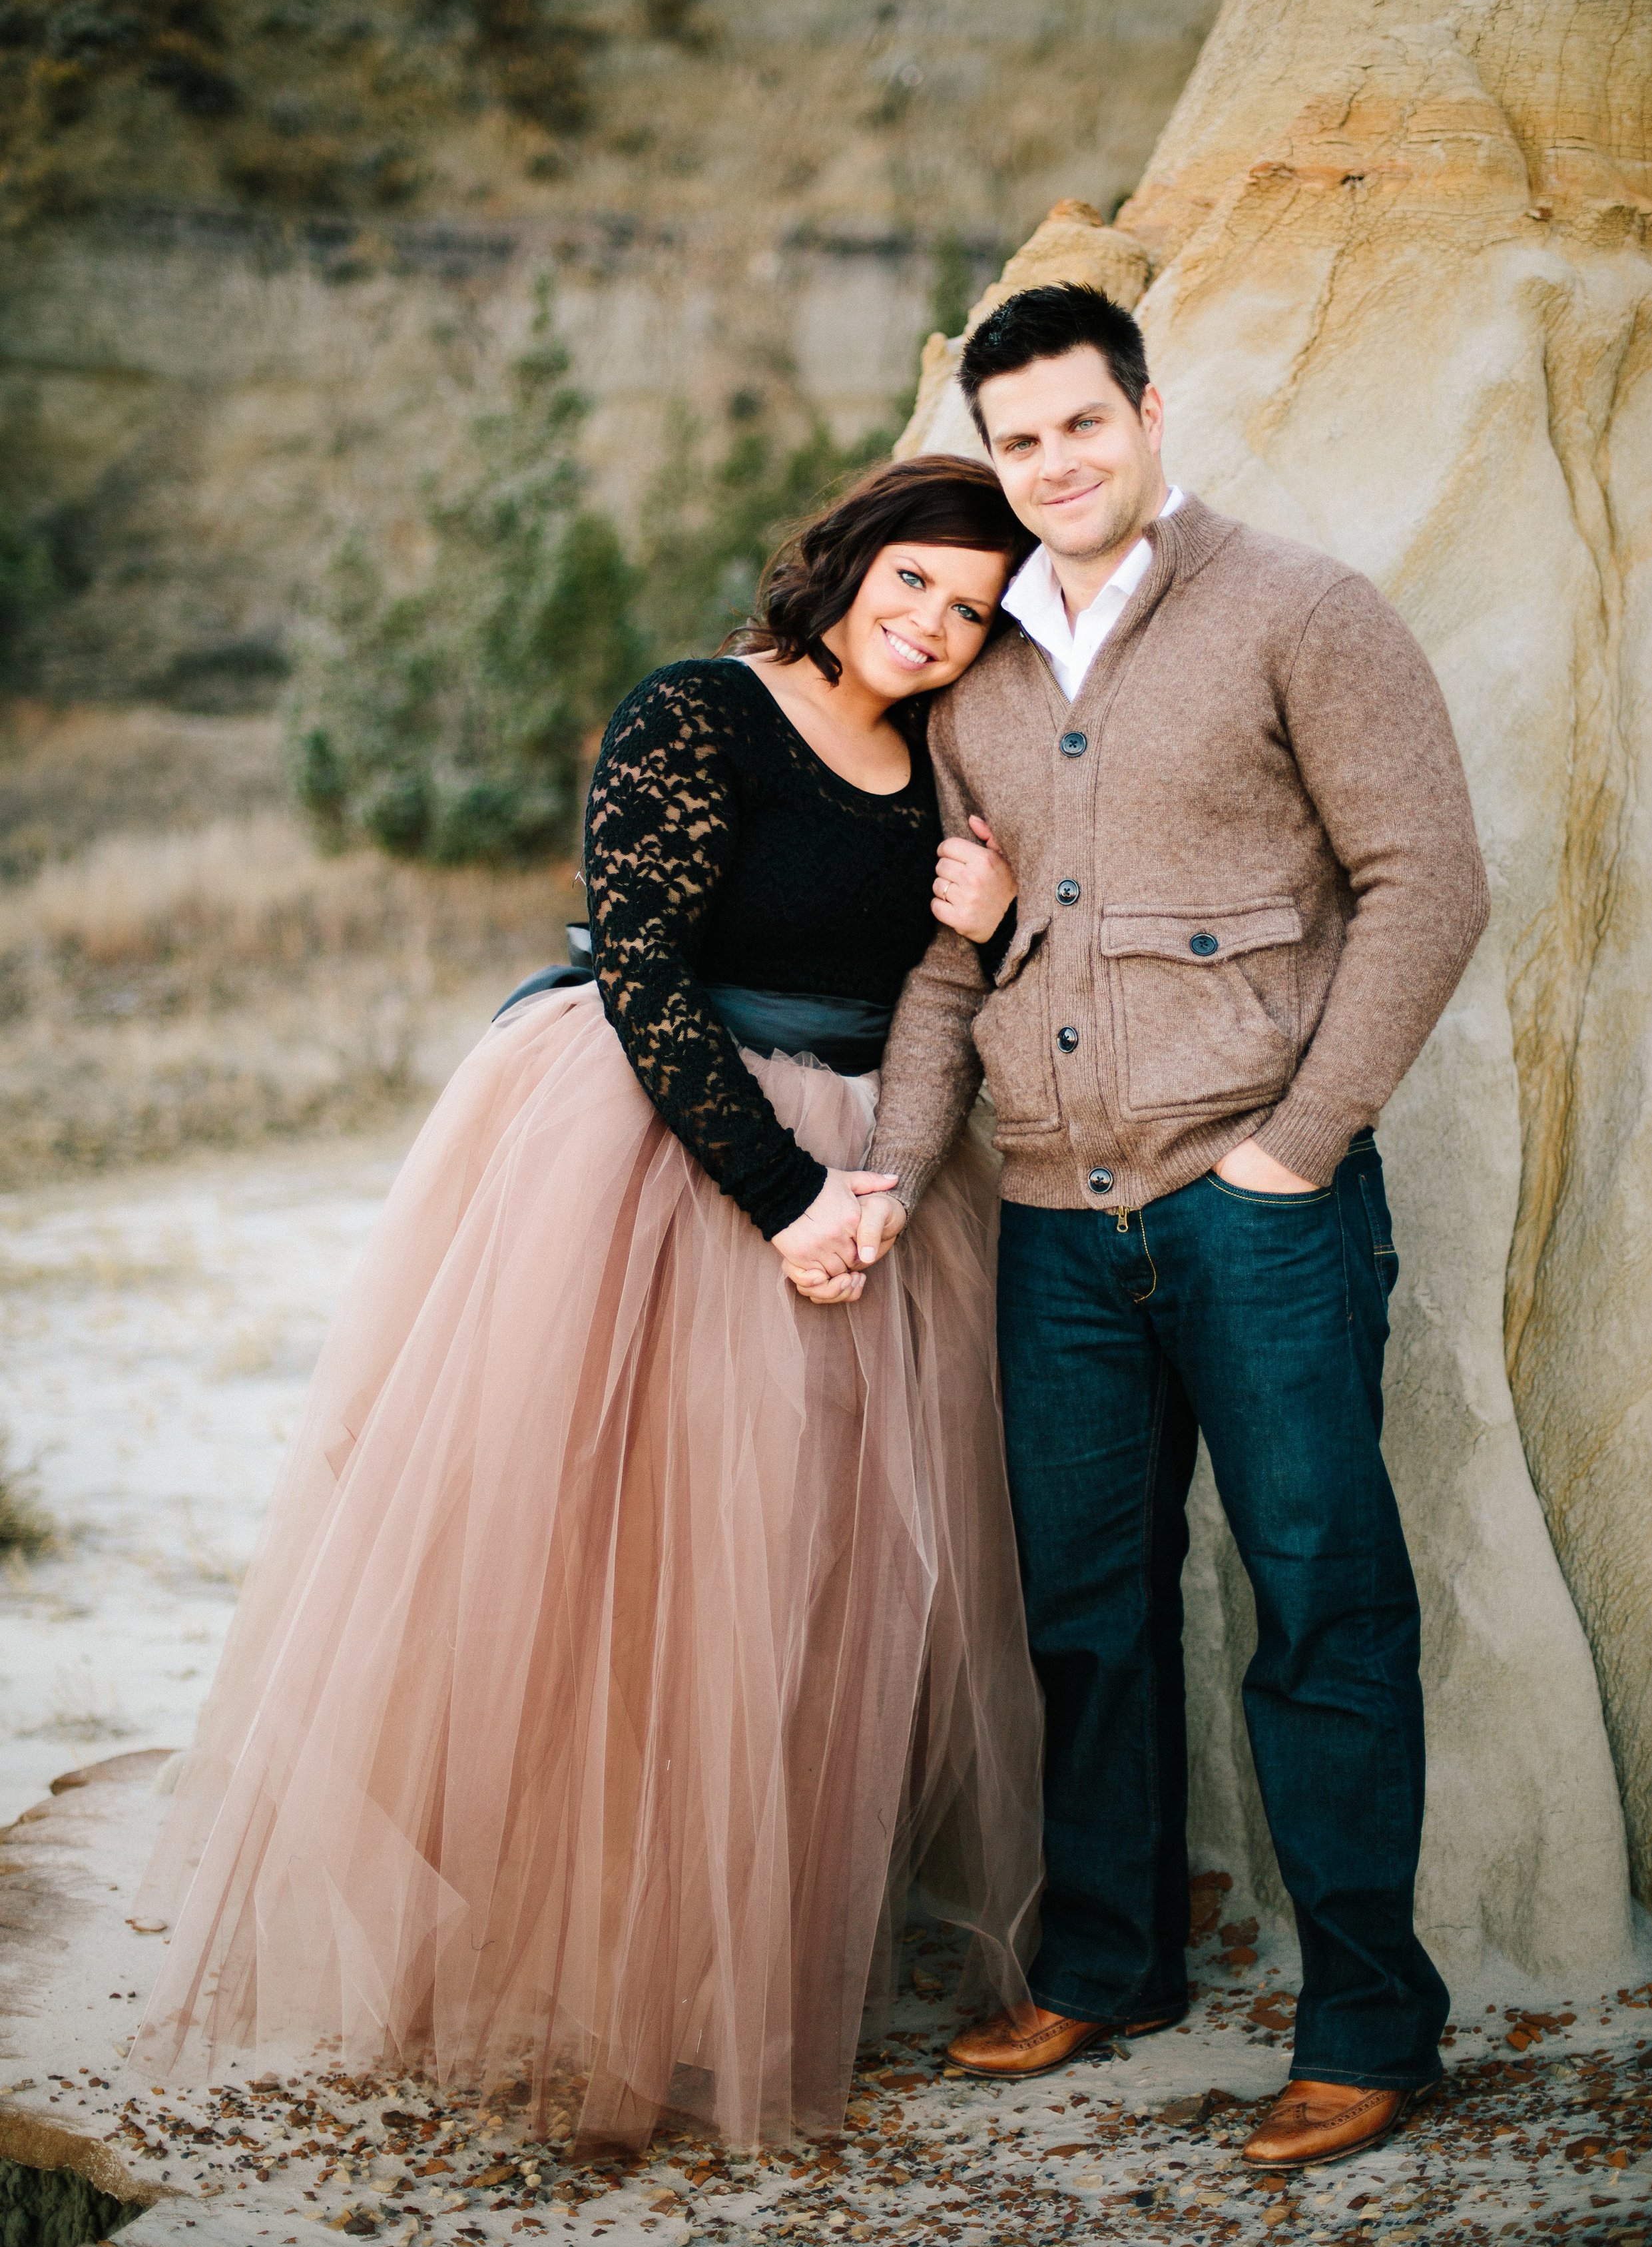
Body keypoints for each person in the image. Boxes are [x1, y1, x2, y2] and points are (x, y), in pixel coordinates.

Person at [129, 456, 1045, 2150]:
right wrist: (782, 1202)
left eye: (970, 612)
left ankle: (728, 1969)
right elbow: (638, 961)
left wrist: (970, 960)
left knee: (804, 1578)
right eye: (911, 580)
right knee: (616, 1569)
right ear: (846, 559)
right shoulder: (696, 710)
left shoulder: (942, 762)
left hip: (871, 1166)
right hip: (659, 1145)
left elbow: (931, 983)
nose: (927, 626)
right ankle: (560, 1972)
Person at [853, 284, 1491, 2168]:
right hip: (1053, 1223)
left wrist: (1299, 1146)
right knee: (1085, 1615)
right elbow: (943, 964)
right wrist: (889, 1170)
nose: (1053, 463)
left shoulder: (1300, 608)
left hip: (1259, 1211)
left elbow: (1428, 878)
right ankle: (1108, 1961)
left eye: (1080, 424)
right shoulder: (967, 663)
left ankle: (1372, 2018)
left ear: (1144, 410)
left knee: (1320, 1604)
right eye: (1019, 438)